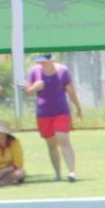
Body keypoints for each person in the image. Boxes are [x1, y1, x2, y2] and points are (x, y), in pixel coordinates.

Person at [25, 53, 82, 181]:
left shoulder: (63, 71)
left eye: (44, 61)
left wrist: (78, 107)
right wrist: (36, 86)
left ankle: (72, 172)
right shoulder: (34, 71)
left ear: (51, 60)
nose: (41, 63)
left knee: (63, 139)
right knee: (51, 145)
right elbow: (27, 92)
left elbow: (70, 91)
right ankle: (57, 174)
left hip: (61, 110)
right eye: (39, 61)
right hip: (43, 113)